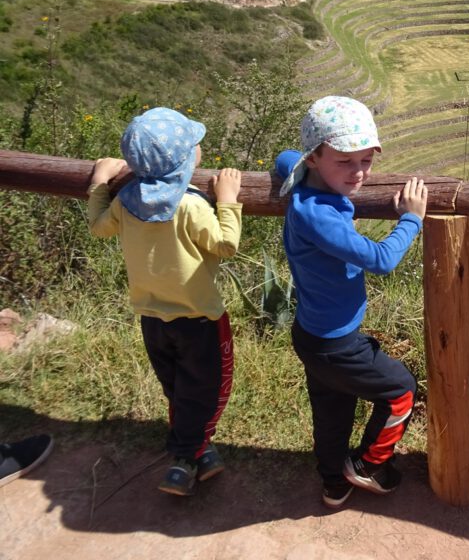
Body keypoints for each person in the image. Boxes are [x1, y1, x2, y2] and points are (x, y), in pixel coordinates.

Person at [275, 96, 428, 510]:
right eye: (345, 162)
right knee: (401, 391)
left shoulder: (302, 181)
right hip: (338, 343)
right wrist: (411, 217)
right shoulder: (317, 215)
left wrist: (292, 165)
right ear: (314, 158)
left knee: (332, 413)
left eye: (366, 161)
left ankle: (333, 484)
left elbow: (283, 157)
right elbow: (381, 260)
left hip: (312, 334)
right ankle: (369, 465)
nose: (359, 173)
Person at [87, 107, 242, 497]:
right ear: (186, 160)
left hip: (152, 318)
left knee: (179, 387)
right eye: (195, 146)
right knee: (211, 392)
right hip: (200, 319)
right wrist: (228, 199)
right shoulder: (190, 206)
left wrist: (99, 182)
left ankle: (199, 452)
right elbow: (226, 245)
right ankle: (183, 460)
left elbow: (97, 226)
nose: (200, 149)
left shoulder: (125, 201)